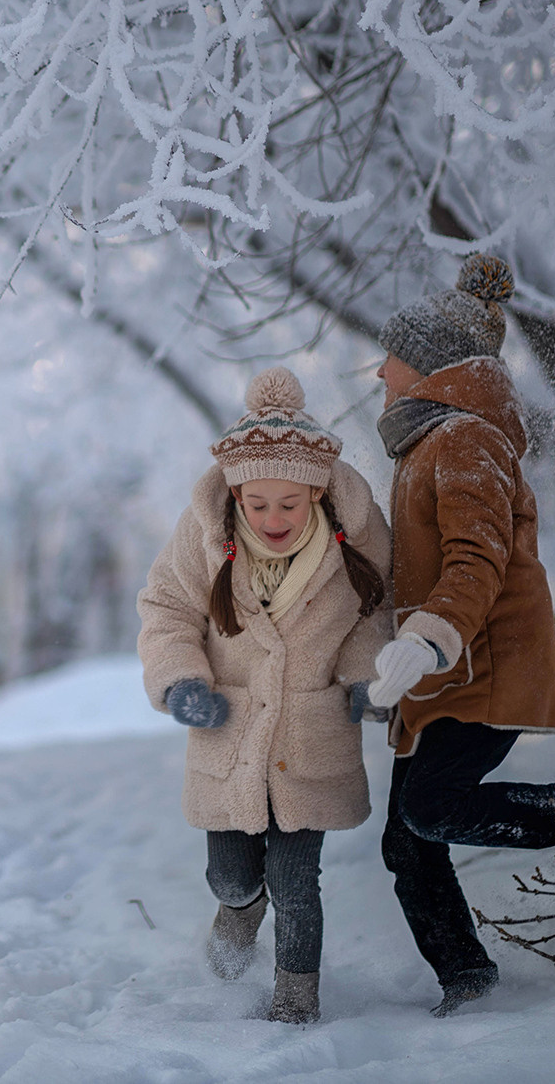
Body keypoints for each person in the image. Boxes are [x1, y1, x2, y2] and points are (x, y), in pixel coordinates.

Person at [364, 252, 555, 1017]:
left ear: (424, 366)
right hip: (442, 676)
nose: (377, 373)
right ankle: (467, 977)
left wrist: (427, 639)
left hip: (480, 667)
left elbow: (477, 556)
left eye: (387, 358)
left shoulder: (464, 440)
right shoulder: (427, 445)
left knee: (431, 810)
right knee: (406, 842)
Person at [137, 367, 393, 1024]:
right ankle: (239, 907)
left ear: (316, 493)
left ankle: (295, 1001)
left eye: (290, 503)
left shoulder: (353, 545)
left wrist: (365, 677)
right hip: (230, 737)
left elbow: (374, 614)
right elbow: (165, 607)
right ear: (236, 496)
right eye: (258, 504)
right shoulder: (205, 541)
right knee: (231, 876)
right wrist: (181, 680)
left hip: (311, 736)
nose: (273, 518)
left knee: (296, 883)